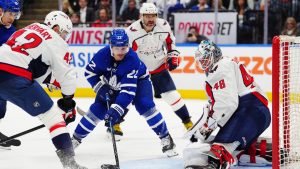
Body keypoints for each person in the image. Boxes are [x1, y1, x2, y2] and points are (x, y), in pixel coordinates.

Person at [0, 11, 88, 169]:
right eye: (64, 32)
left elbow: (30, 61)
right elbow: (67, 77)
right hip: (14, 77)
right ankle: (70, 163)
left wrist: (50, 80)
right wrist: (67, 103)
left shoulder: (29, 27)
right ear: (55, 28)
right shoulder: (57, 42)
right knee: (53, 117)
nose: (64, 37)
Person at [71, 29, 178, 157]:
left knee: (145, 105)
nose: (120, 53)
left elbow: (128, 92)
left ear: (128, 46)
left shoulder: (132, 59)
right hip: (112, 83)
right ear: (111, 47)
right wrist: (100, 87)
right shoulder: (102, 55)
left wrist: (117, 109)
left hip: (139, 82)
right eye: (117, 49)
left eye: (124, 48)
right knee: (97, 109)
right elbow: (89, 72)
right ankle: (74, 140)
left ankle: (166, 137)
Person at [183, 40, 271, 168]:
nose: (203, 63)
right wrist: (206, 126)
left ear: (215, 55)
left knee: (221, 145)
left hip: (250, 110)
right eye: (201, 60)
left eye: (206, 58)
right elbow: (222, 104)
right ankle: (267, 151)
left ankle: (215, 165)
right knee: (233, 148)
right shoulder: (226, 64)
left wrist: (209, 127)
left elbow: (228, 104)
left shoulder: (220, 68)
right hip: (254, 112)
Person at [120, 2, 193, 138]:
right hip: (140, 71)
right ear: (141, 16)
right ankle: (115, 124)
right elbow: (127, 55)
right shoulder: (131, 31)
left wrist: (173, 55)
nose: (150, 19)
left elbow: (171, 43)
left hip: (159, 66)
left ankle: (188, 123)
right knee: (128, 97)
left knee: (173, 96)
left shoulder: (163, 25)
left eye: (153, 15)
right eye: (147, 16)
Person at [0, 0, 22, 149]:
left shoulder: (13, 31)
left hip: (2, 75)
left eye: (15, 14)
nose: (12, 17)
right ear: (1, 11)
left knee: (1, 108)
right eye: (10, 13)